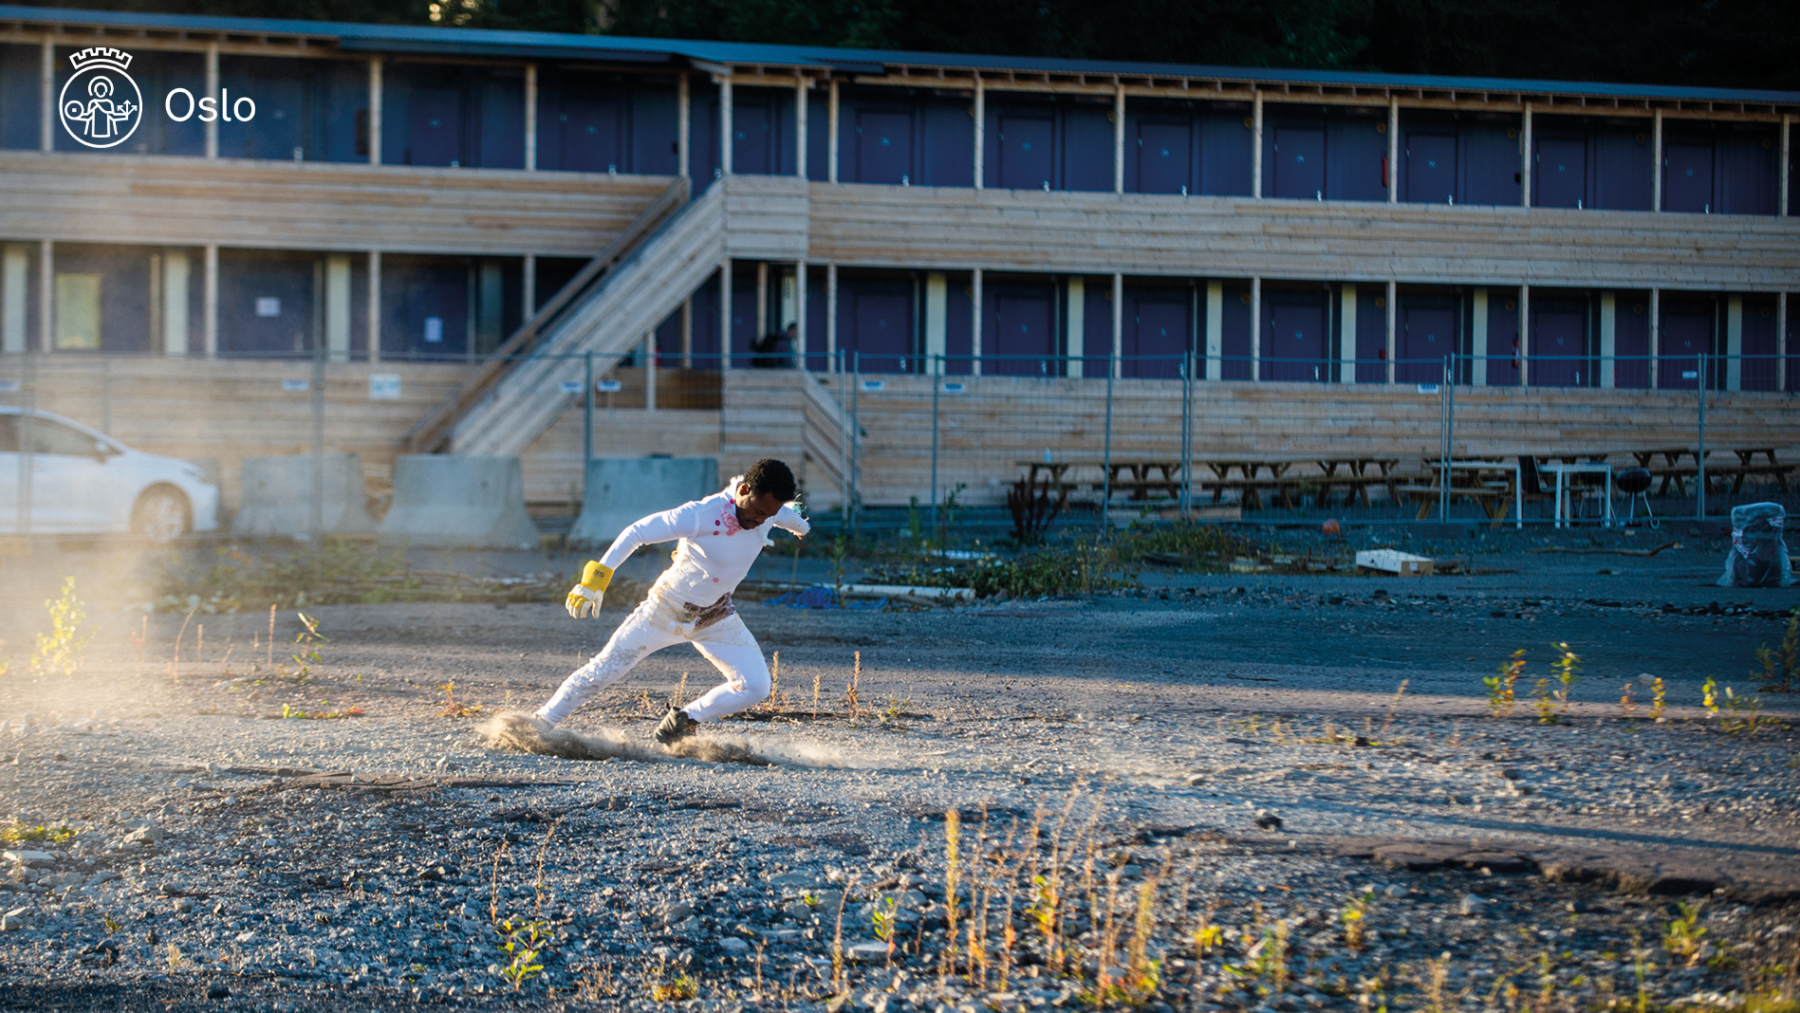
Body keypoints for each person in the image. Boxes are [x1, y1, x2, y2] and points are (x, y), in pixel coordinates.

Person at [533, 458, 809, 744]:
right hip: (665, 611)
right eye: (758, 512)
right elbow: (636, 533)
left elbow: (790, 518)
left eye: (769, 516)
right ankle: (539, 723)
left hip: (715, 617)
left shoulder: (769, 512)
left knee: (756, 687)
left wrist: (802, 528)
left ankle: (683, 721)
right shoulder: (700, 514)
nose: (761, 521)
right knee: (604, 669)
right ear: (744, 490)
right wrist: (594, 581)